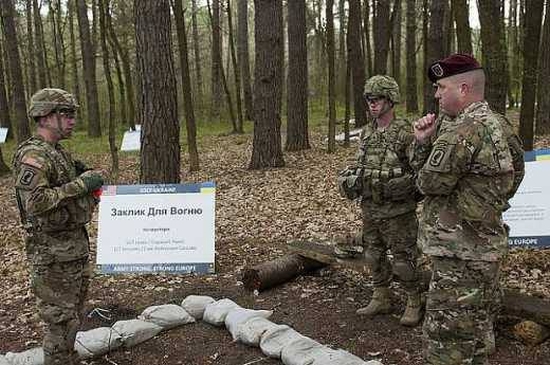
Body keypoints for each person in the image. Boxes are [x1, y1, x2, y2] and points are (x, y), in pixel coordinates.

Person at [411, 54, 524, 364]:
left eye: (440, 87)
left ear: (462, 88)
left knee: (447, 348)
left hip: (458, 258)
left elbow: (427, 183)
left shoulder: (463, 131)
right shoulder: (498, 123)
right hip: (484, 251)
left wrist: (421, 142)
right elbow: (517, 171)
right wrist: (485, 205)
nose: (436, 94)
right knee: (472, 343)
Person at [13, 88, 104, 365]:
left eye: (73, 114)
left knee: (72, 318)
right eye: (66, 114)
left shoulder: (56, 153)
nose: (72, 120)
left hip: (71, 250)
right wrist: (81, 185)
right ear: (45, 116)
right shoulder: (34, 155)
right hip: (52, 257)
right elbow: (36, 203)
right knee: (59, 323)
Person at [337, 75, 423, 327]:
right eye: (369, 99)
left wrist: (403, 187)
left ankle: (414, 300)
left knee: (403, 260)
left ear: (391, 100)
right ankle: (381, 295)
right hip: (370, 207)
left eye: (378, 99)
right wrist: (351, 179)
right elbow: (361, 165)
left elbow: (421, 173)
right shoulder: (367, 132)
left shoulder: (406, 132)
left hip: (398, 212)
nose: (372, 104)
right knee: (373, 255)